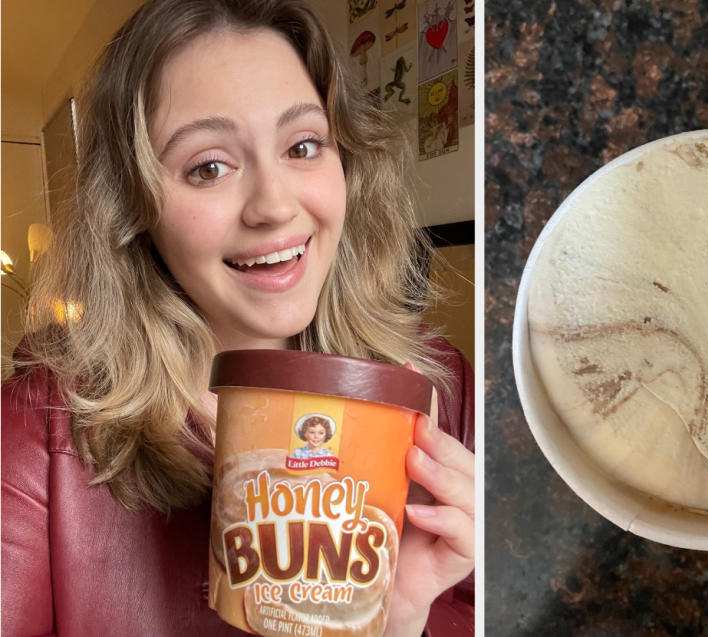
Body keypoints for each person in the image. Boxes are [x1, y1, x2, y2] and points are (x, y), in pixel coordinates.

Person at [0, 1, 474, 636]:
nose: (275, 206)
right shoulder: (42, 421)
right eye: (209, 167)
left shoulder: (439, 386)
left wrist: (400, 619)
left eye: (303, 145)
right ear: (133, 205)